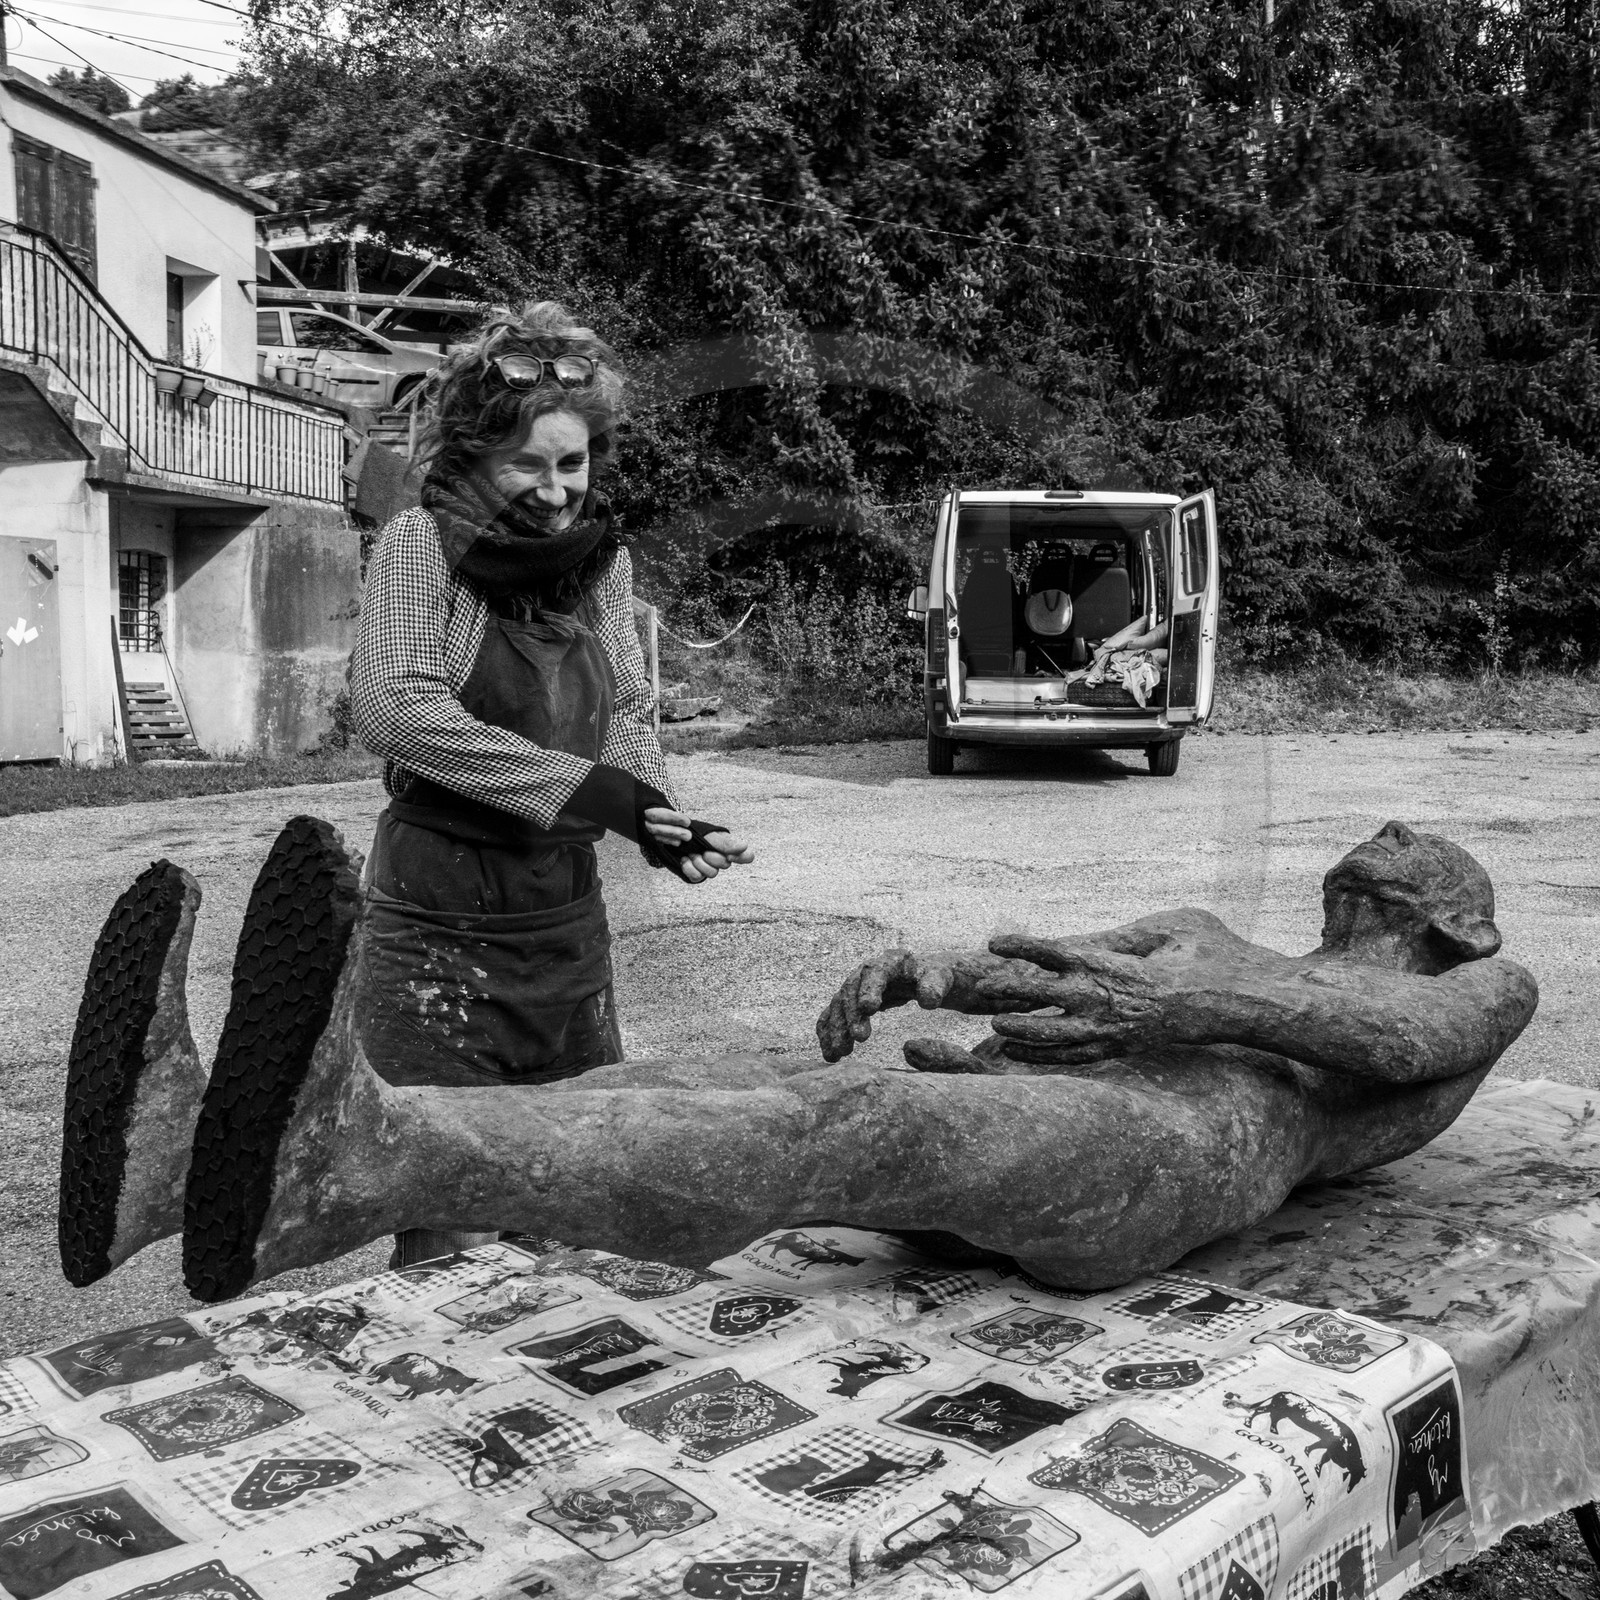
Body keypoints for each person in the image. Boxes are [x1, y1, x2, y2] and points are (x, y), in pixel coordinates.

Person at [60, 821, 1536, 1301]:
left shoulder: (1486, 988)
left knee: (852, 1123)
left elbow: (1395, 1039)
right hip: (1062, 1092)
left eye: (1396, 872)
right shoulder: (1214, 931)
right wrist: (935, 966)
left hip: (1164, 1166)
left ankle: (354, 1162)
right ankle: (186, 1164)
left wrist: (1196, 1014)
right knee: (686, 1078)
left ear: (1448, 922)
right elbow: (1058, 960)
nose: (1379, 848)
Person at [349, 301, 753, 1261]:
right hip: (437, 927)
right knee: (445, 1205)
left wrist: (657, 815)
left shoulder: (601, 561)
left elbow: (632, 715)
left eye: (571, 463)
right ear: (476, 457)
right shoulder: (421, 546)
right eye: (528, 464)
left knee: (572, 1184)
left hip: (563, 925)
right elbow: (394, 710)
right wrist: (598, 796)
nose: (556, 489)